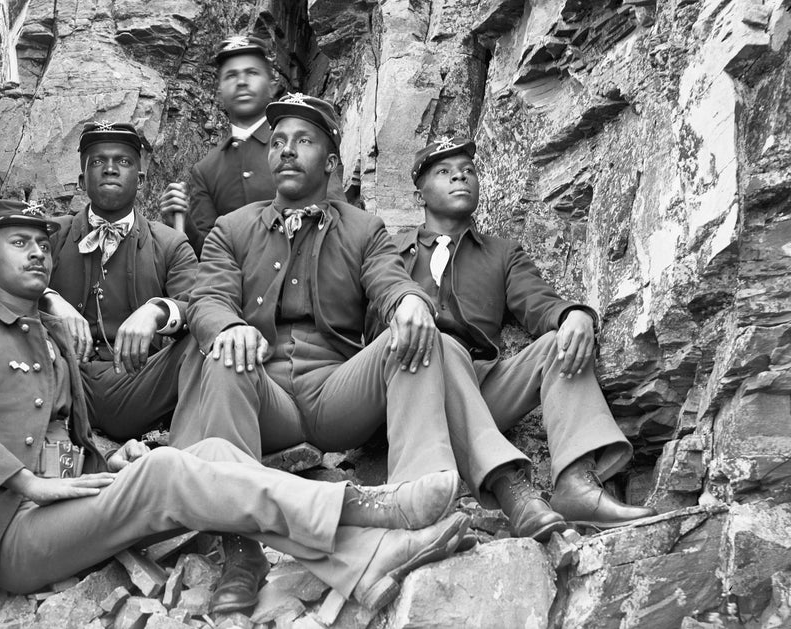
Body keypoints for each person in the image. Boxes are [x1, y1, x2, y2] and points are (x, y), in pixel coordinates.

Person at [0, 200, 474, 610]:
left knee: (213, 449)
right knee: (172, 468)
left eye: (43, 246)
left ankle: (366, 561)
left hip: (70, 509)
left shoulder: (51, 338)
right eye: (18, 244)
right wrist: (24, 482)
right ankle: (364, 506)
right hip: (10, 535)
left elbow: (63, 441)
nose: (37, 255)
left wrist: (108, 463)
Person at [169, 94, 543, 613]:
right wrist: (229, 326)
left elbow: (389, 281)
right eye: (277, 142)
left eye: (303, 140)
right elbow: (207, 297)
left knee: (414, 336)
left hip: (335, 391)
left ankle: (419, 502)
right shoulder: (231, 229)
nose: (286, 151)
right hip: (262, 393)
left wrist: (410, 301)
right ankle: (241, 549)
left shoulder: (364, 228)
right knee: (221, 357)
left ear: (330, 161)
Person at [374, 136, 656, 531]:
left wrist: (573, 315)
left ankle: (577, 482)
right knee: (438, 345)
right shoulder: (387, 252)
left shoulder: (502, 253)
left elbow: (537, 302)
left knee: (561, 342)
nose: (460, 176)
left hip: (481, 388)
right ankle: (510, 487)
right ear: (419, 193)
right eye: (444, 172)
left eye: (468, 171)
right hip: (411, 392)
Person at [39, 122, 198, 441]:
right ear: (83, 180)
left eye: (123, 162)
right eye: (98, 162)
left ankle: (192, 451)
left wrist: (157, 311)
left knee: (208, 338)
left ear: (139, 181)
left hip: (139, 387)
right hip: (60, 380)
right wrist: (48, 299)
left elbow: (201, 303)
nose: (110, 169)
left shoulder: (169, 243)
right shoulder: (50, 235)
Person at [158, 35, 342, 255]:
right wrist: (184, 221)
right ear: (219, 91)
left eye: (252, 73)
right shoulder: (207, 169)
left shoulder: (305, 144)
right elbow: (208, 254)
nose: (242, 82)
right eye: (231, 75)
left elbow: (338, 220)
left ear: (273, 86)